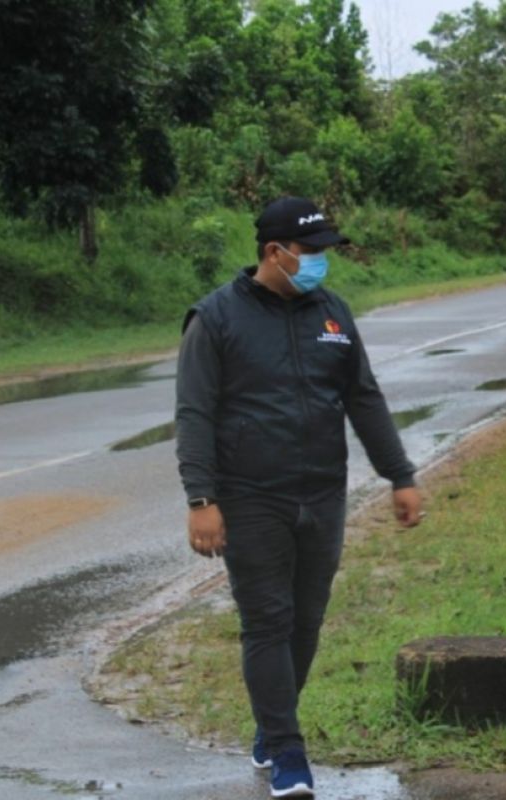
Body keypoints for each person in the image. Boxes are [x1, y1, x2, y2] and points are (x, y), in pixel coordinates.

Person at [175, 196, 423, 799]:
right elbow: (194, 411)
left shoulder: (332, 313)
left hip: (323, 493)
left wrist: (400, 475)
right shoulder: (216, 319)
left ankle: (271, 724)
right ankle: (288, 753)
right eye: (311, 253)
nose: (320, 264)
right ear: (274, 253)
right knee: (268, 621)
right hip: (251, 496)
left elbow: (363, 398)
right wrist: (201, 496)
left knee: (306, 622)